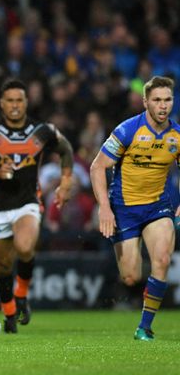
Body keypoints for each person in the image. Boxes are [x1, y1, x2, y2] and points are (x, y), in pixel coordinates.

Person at [0, 79, 73, 333]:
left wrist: (66, 181)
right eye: (10, 101)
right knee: (3, 265)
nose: (15, 105)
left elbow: (66, 148)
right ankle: (9, 312)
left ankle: (22, 294)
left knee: (25, 247)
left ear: (26, 102)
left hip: (27, 202)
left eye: (19, 100)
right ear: (1, 104)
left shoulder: (42, 130)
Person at [90, 76, 179, 341]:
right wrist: (104, 209)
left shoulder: (176, 136)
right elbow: (98, 167)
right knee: (130, 276)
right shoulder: (128, 130)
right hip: (124, 209)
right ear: (145, 102)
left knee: (162, 260)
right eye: (157, 100)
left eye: (168, 100)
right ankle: (137, 301)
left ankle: (145, 327)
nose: (163, 106)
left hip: (157, 207)